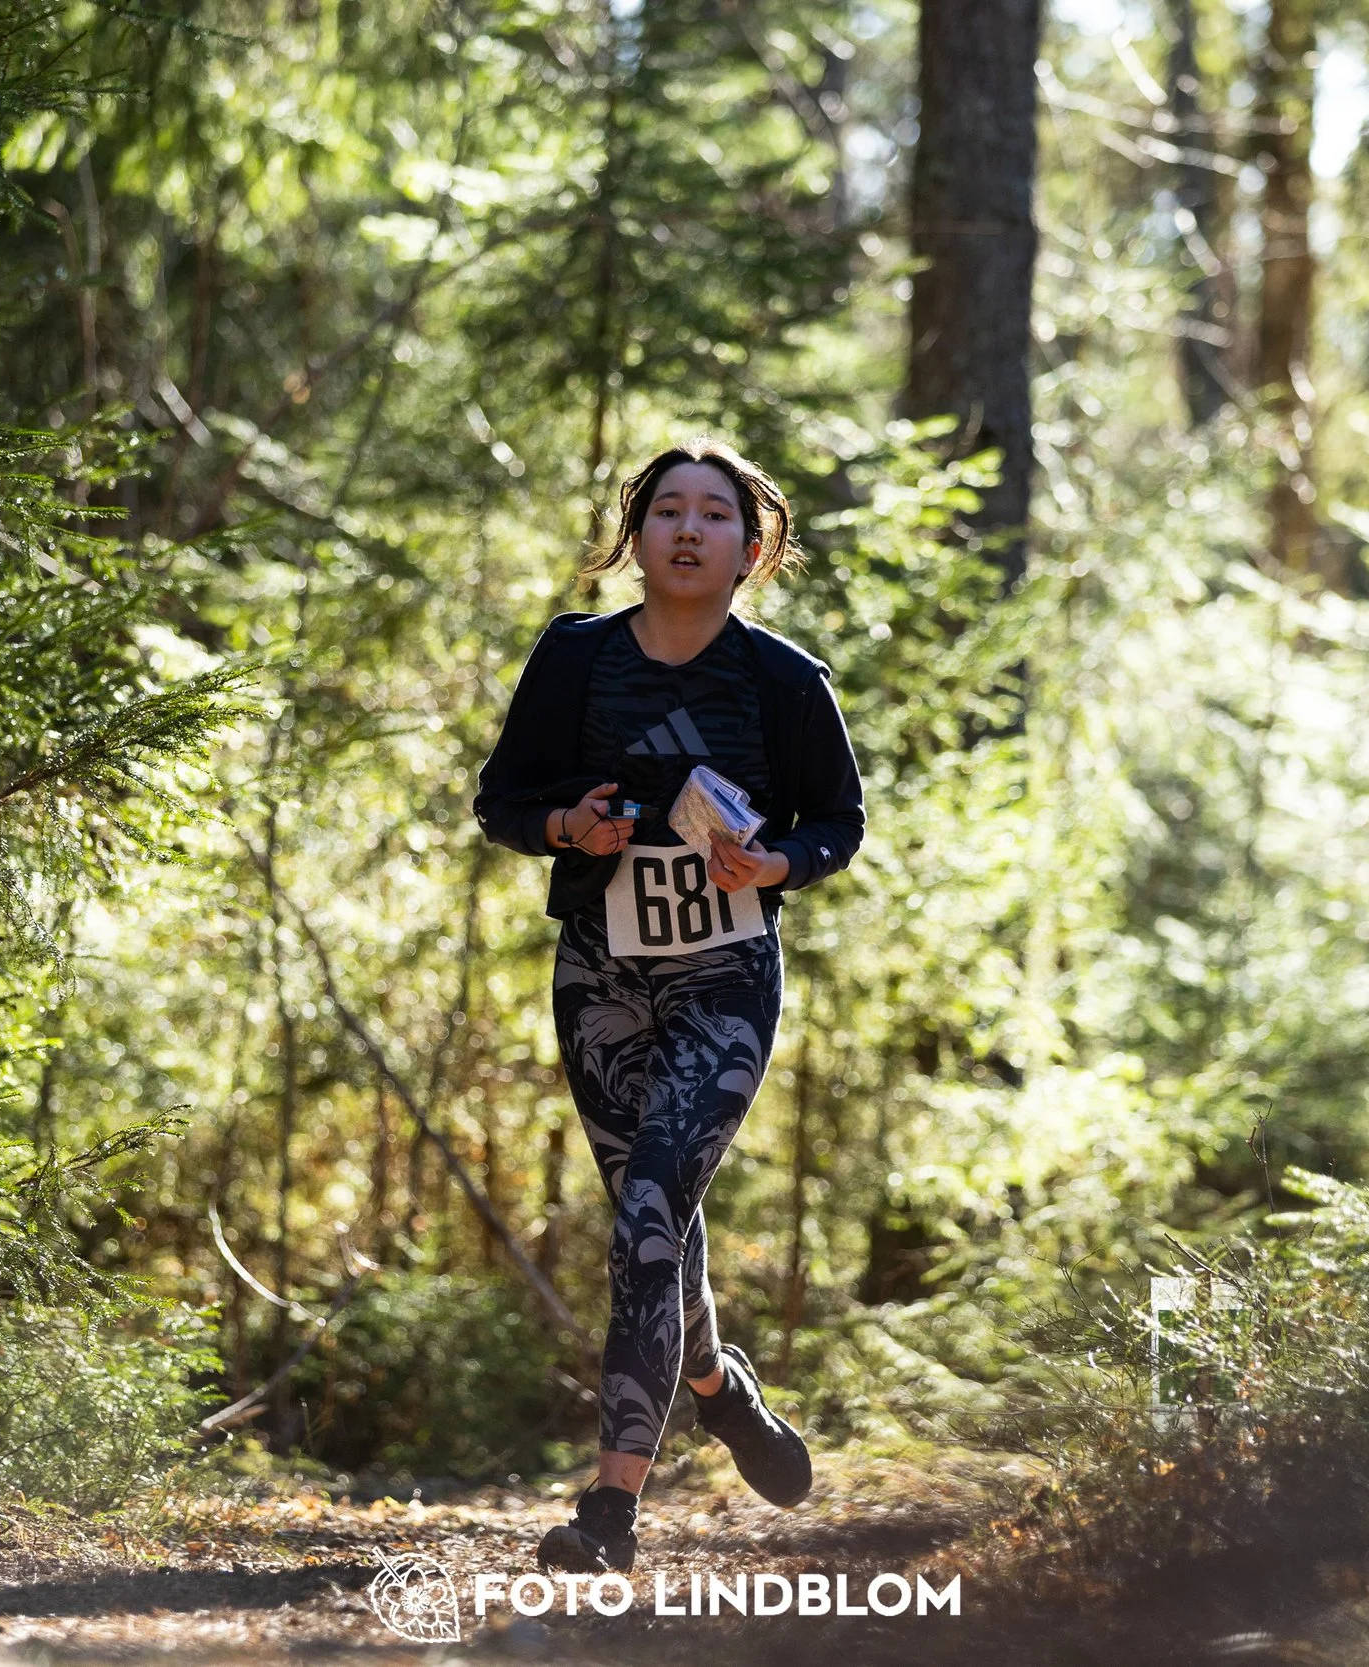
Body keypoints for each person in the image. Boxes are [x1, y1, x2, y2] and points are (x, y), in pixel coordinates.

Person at [473, 439, 864, 1573]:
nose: (688, 530)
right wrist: (567, 827)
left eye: (714, 515)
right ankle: (716, 1386)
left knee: (650, 1203)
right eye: (666, 511)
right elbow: (503, 800)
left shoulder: (786, 681)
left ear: (753, 547)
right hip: (600, 971)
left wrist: (776, 864)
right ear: (634, 536)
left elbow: (837, 823)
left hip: (724, 978)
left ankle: (608, 1511)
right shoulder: (574, 658)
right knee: (654, 1228)